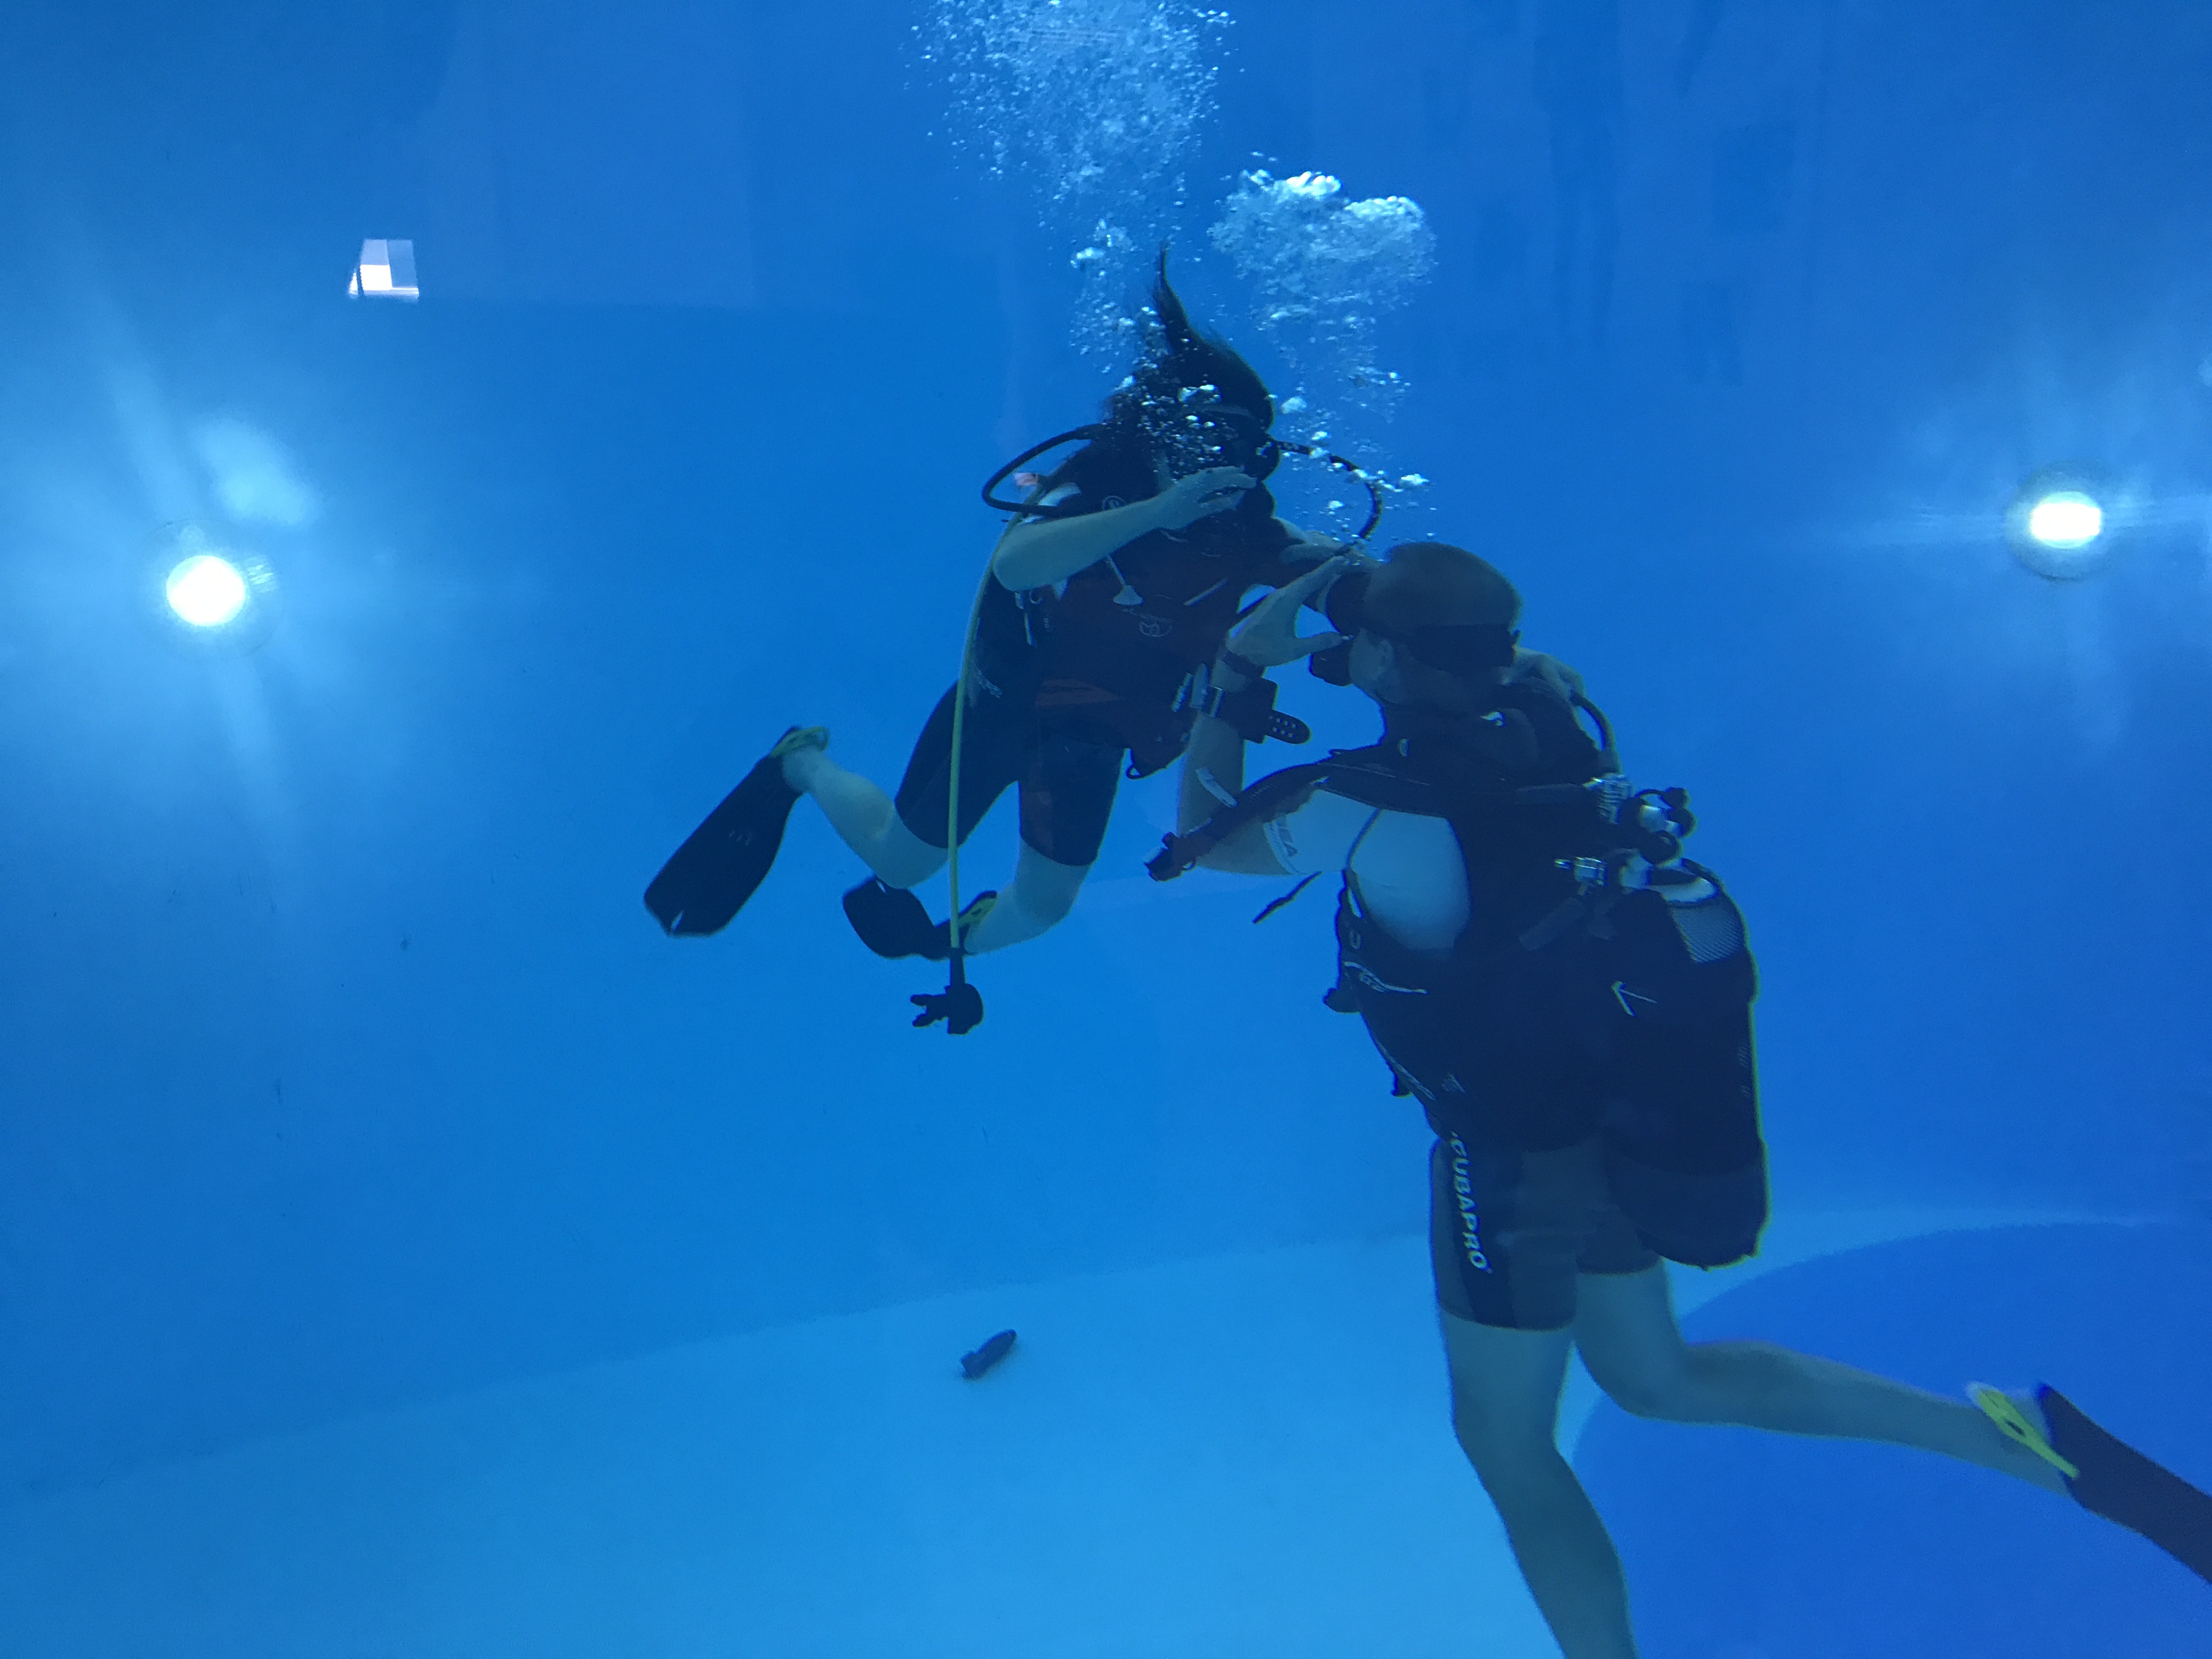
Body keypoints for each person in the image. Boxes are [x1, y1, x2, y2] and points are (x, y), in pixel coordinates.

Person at [1154, 541, 2210, 1657]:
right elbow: (1480, 675)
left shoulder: (1368, 805)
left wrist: (1238, 670)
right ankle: (2014, 1439)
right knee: (1657, 1378)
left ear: (1382, 653)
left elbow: (1199, 840)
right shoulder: (1561, 723)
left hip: (1509, 1154)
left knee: (1507, 1445)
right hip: (1614, 1111)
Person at [644, 255, 1339, 986]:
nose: (1212, 467)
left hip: (1091, 745)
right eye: (1197, 442)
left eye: (1236, 451)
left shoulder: (1254, 536)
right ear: (1155, 434)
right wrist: (1157, 513)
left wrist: (1356, 583)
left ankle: (956, 943)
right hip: (1003, 708)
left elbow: (1338, 576)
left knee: (1044, 909)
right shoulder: (1090, 488)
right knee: (901, 864)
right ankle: (801, 764)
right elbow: (1017, 564)